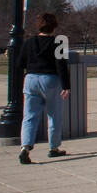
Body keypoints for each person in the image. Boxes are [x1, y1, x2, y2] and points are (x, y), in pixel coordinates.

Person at [18, 12, 71, 164]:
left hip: (31, 79)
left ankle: (25, 148)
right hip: (50, 80)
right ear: (54, 26)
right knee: (54, 115)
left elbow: (20, 63)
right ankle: (53, 148)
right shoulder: (59, 41)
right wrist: (66, 86)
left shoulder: (29, 42)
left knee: (29, 116)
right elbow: (61, 65)